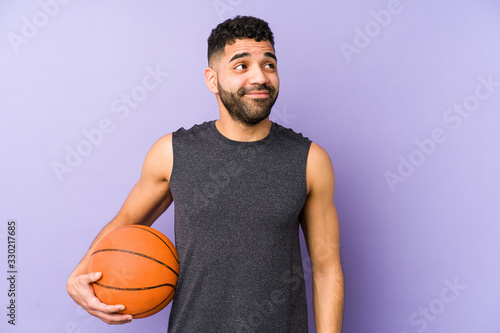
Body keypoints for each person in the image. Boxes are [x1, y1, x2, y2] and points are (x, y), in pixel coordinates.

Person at [67, 15, 344, 332]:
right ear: (212, 79)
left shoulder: (310, 160)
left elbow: (326, 268)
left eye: (269, 65)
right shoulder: (171, 153)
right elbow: (123, 225)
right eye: (241, 66)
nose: (260, 77)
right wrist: (80, 273)